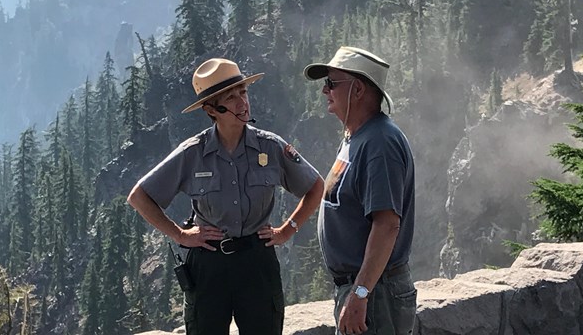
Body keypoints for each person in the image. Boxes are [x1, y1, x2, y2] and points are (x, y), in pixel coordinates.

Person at [127, 58, 324, 335]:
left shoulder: (270, 146)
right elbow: (139, 196)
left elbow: (316, 186)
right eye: (231, 97)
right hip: (209, 264)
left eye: (243, 92)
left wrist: (288, 229)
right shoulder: (192, 153)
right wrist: (181, 236)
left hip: (257, 261)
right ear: (211, 109)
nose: (242, 102)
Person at [303, 46, 417, 335]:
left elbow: (387, 224)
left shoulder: (380, 143)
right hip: (366, 289)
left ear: (358, 90)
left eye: (331, 83)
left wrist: (361, 293)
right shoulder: (357, 136)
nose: (324, 91)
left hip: (377, 293)